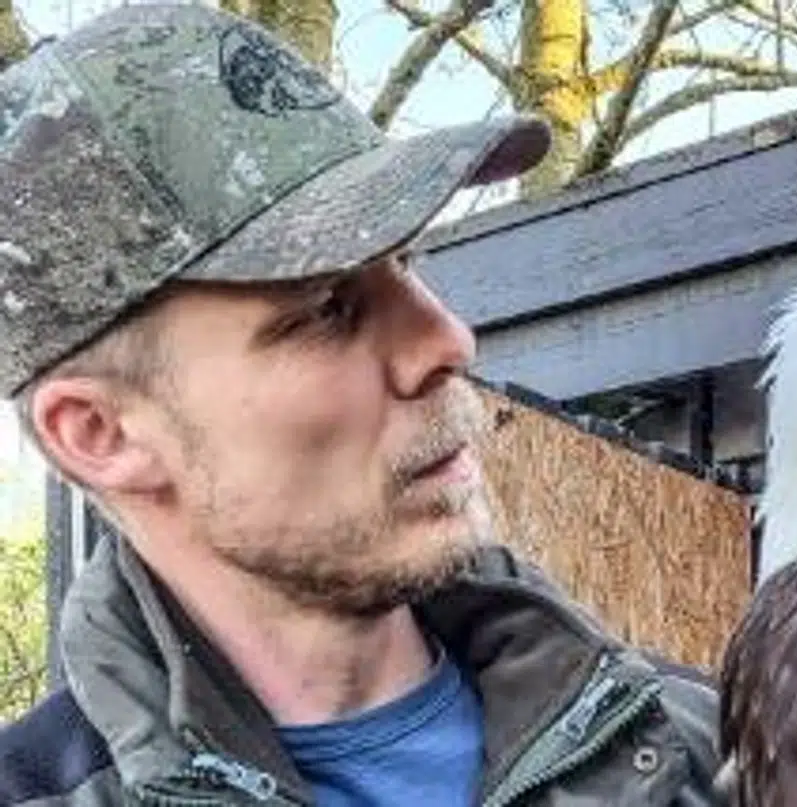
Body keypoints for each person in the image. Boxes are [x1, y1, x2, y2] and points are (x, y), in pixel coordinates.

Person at [0, 4, 722, 805]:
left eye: (410, 262)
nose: (447, 339)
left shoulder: (716, 750)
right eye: (327, 309)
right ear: (100, 433)